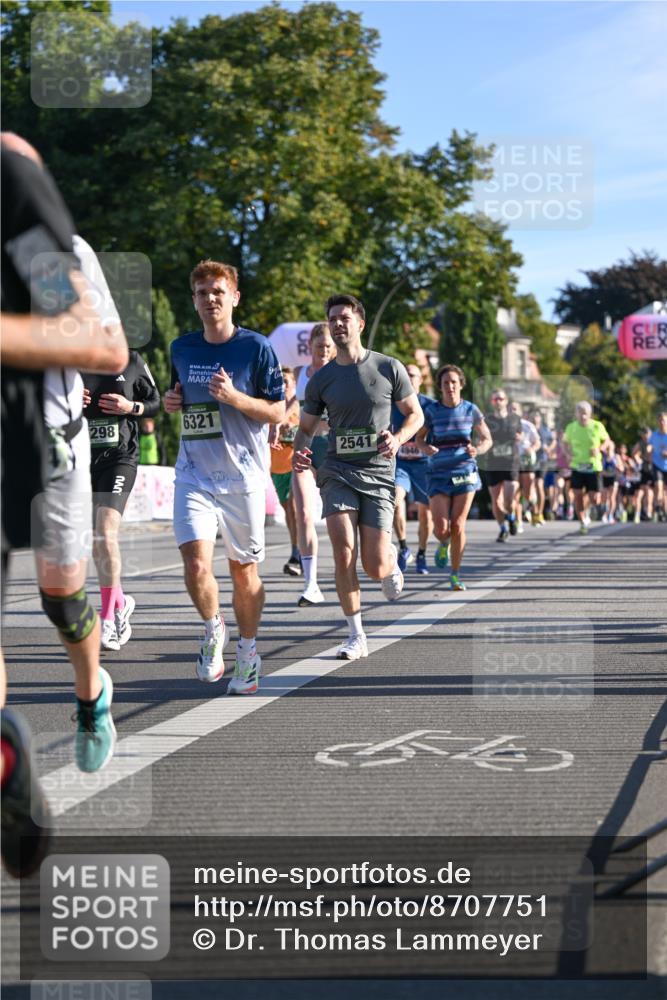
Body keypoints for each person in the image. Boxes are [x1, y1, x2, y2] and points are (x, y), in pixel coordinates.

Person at [1, 134, 127, 875]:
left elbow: (101, 344)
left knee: (62, 597)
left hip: (46, 441)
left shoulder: (36, 234)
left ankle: (91, 690)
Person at [164, 260, 284, 695]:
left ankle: (248, 652)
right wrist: (171, 402)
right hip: (194, 474)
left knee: (242, 572)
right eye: (202, 292)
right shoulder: (182, 348)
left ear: (234, 297)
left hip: (244, 478)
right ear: (194, 301)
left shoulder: (256, 348)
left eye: (218, 291)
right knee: (195, 562)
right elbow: (176, 395)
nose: (210, 299)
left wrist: (235, 397)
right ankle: (214, 628)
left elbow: (277, 412)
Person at [293, 294, 423, 660]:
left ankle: (390, 559)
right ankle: (356, 635)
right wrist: (299, 450)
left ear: (360, 324)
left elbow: (415, 415)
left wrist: (397, 438)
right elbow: (305, 428)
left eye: (344, 318)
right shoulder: (322, 380)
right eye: (332, 318)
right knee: (342, 550)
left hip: (380, 473)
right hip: (337, 471)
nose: (337, 324)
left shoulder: (388, 368)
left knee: (375, 564)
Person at [83, 341, 161, 651]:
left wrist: (131, 408)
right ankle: (119, 601)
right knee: (95, 540)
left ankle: (108, 618)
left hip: (120, 458)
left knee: (106, 531)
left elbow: (156, 403)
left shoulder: (129, 360)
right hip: (83, 459)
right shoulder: (71, 361)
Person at [415, 365, 492, 591]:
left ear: (461, 384)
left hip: (465, 472)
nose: (450, 386)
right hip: (438, 473)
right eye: (445, 383)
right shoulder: (432, 411)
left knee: (458, 524)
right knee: (441, 528)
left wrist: (478, 448)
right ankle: (443, 543)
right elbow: (420, 438)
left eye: (454, 382)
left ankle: (455, 574)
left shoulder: (471, 410)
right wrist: (426, 447)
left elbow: (487, 438)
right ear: (440, 387)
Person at [291, 323, 336, 606]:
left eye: (329, 347)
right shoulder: (299, 374)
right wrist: (277, 424)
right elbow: (290, 404)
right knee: (305, 513)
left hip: (333, 449)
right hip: (305, 448)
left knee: (340, 520)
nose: (324, 351)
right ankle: (311, 585)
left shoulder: (341, 374)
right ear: (310, 345)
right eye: (320, 346)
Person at [392, 363, 434, 574]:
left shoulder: (431, 405)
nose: (409, 378)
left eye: (413, 375)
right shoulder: (393, 403)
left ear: (420, 380)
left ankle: (422, 553)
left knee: (426, 514)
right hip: (400, 464)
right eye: (406, 375)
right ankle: (404, 547)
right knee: (395, 500)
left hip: (424, 466)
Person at [268, 367, 301, 576]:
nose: (283, 384)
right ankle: (296, 548)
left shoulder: (300, 406)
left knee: (295, 507)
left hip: (297, 464)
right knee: (288, 510)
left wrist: (293, 430)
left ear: (295, 384)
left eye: (287, 381)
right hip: (277, 466)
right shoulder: (273, 407)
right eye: (281, 381)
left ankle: (298, 554)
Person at [562, 401, 610, 534]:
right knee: (577, 495)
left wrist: (600, 448)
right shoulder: (571, 428)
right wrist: (567, 454)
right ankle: (582, 520)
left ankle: (588, 508)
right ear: (576, 414)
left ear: (589, 414)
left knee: (594, 497)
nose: (583, 416)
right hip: (577, 466)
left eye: (585, 413)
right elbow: (564, 442)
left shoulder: (597, 426)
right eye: (580, 413)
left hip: (593, 466)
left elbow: (607, 440)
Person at [483, 389, 522, 542]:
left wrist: (520, 437)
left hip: (511, 462)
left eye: (501, 398)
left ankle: (511, 517)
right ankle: (503, 528)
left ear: (506, 401)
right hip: (493, 463)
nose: (498, 401)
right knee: (496, 501)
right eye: (495, 399)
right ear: (492, 402)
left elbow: (520, 434)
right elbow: (482, 436)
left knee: (509, 499)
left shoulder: (515, 418)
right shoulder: (487, 419)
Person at [510, 402, 539, 533]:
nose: (513, 411)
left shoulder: (528, 426)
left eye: (515, 409)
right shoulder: (504, 425)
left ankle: (532, 505)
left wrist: (532, 449)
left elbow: (537, 442)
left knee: (527, 492)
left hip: (526, 460)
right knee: (515, 492)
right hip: (512, 461)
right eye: (510, 409)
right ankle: (519, 521)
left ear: (520, 412)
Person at [530, 409, 554, 525]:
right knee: (531, 487)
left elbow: (553, 440)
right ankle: (533, 511)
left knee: (539, 485)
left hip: (542, 461)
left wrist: (549, 449)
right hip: (529, 461)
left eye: (537, 416)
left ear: (540, 418)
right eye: (533, 416)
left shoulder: (545, 430)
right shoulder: (528, 429)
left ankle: (539, 513)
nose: (535, 418)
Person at [632, 427, 655, 522]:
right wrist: (639, 461)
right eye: (644, 434)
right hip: (644, 470)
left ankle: (651, 511)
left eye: (647, 434)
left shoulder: (654, 441)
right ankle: (641, 513)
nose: (645, 436)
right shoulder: (640, 443)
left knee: (650, 492)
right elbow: (634, 453)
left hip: (654, 470)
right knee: (641, 493)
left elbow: (651, 452)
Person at [649, 412, 667, 521]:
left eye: (664, 420)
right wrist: (648, 450)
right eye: (660, 420)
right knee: (659, 487)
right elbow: (650, 445)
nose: (662, 422)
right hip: (657, 465)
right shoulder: (654, 435)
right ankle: (658, 508)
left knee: (666, 491)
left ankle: (664, 511)